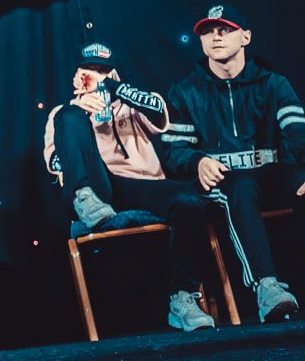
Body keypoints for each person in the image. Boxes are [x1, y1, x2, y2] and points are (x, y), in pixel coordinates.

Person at [43, 42, 215, 332]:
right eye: (89, 69)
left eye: (103, 70)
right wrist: (79, 114)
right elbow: (56, 163)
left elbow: (158, 110)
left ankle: (183, 297)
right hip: (99, 190)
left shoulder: (130, 103)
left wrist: (114, 90)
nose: (96, 76)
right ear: (77, 75)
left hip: (144, 184)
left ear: (114, 74)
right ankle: (84, 198)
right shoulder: (64, 115)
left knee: (189, 200)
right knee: (67, 116)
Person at [163, 4, 305, 322]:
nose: (216, 37)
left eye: (225, 30)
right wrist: (197, 161)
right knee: (240, 187)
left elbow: (298, 132)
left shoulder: (273, 83)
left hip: (270, 173)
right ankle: (267, 288)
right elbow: (173, 152)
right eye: (208, 32)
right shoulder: (185, 92)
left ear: (245, 37)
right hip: (224, 181)